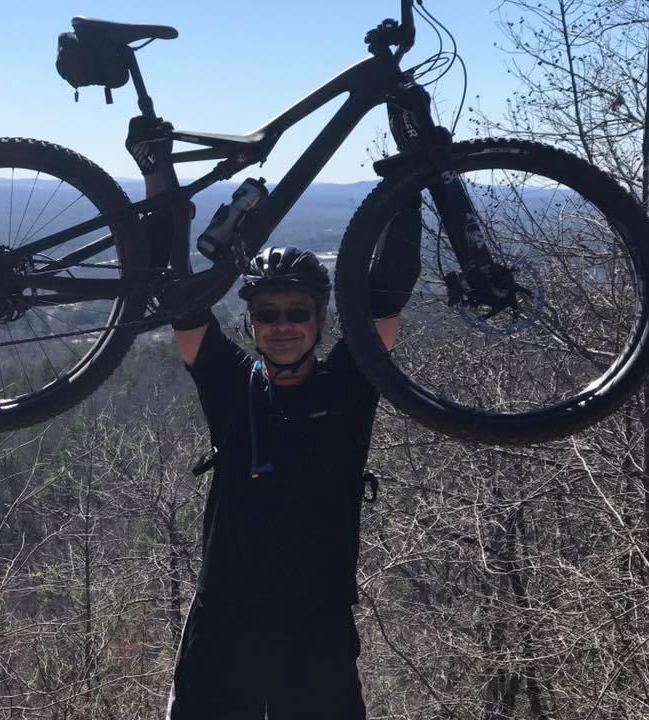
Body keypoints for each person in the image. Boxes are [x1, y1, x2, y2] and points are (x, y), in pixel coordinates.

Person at [128, 117, 421, 719]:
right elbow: (175, 289)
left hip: (317, 629)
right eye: (268, 313)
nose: (282, 324)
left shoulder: (350, 380)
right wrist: (158, 174)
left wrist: (411, 183)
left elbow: (389, 289)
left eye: (296, 311)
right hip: (223, 625)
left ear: (319, 320)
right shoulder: (232, 384)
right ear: (251, 324)